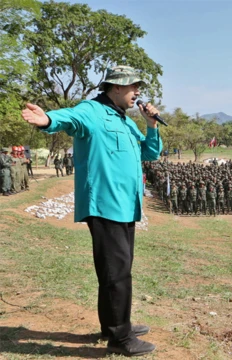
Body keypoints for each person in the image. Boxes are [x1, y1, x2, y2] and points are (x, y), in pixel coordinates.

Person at [21, 65, 162, 357]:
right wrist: (47, 119)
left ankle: (115, 325)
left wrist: (151, 126)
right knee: (116, 274)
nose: (137, 92)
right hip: (105, 204)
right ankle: (120, 338)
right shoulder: (93, 111)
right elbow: (69, 117)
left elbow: (149, 153)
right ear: (116, 87)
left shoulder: (124, 120)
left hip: (126, 205)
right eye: (133, 86)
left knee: (116, 271)